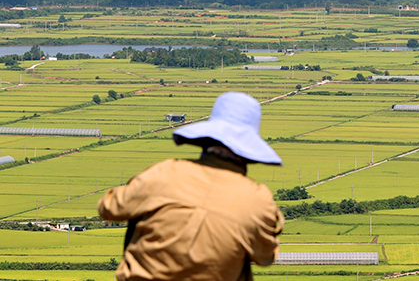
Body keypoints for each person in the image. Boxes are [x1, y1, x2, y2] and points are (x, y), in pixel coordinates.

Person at [98, 92, 285, 281]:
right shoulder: (258, 200)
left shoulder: (165, 173)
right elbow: (265, 257)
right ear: (249, 151)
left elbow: (109, 208)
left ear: (206, 139)